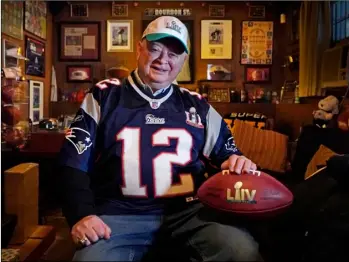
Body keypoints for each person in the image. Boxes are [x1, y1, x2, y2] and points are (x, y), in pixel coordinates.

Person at [57, 16, 260, 262]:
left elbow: (228, 155)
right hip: (119, 214)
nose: (164, 60)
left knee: (241, 250)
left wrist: (236, 161)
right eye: (155, 49)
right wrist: (82, 215)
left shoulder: (197, 105)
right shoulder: (105, 96)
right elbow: (73, 163)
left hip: (188, 213)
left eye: (174, 54)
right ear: (139, 49)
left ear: (183, 61)